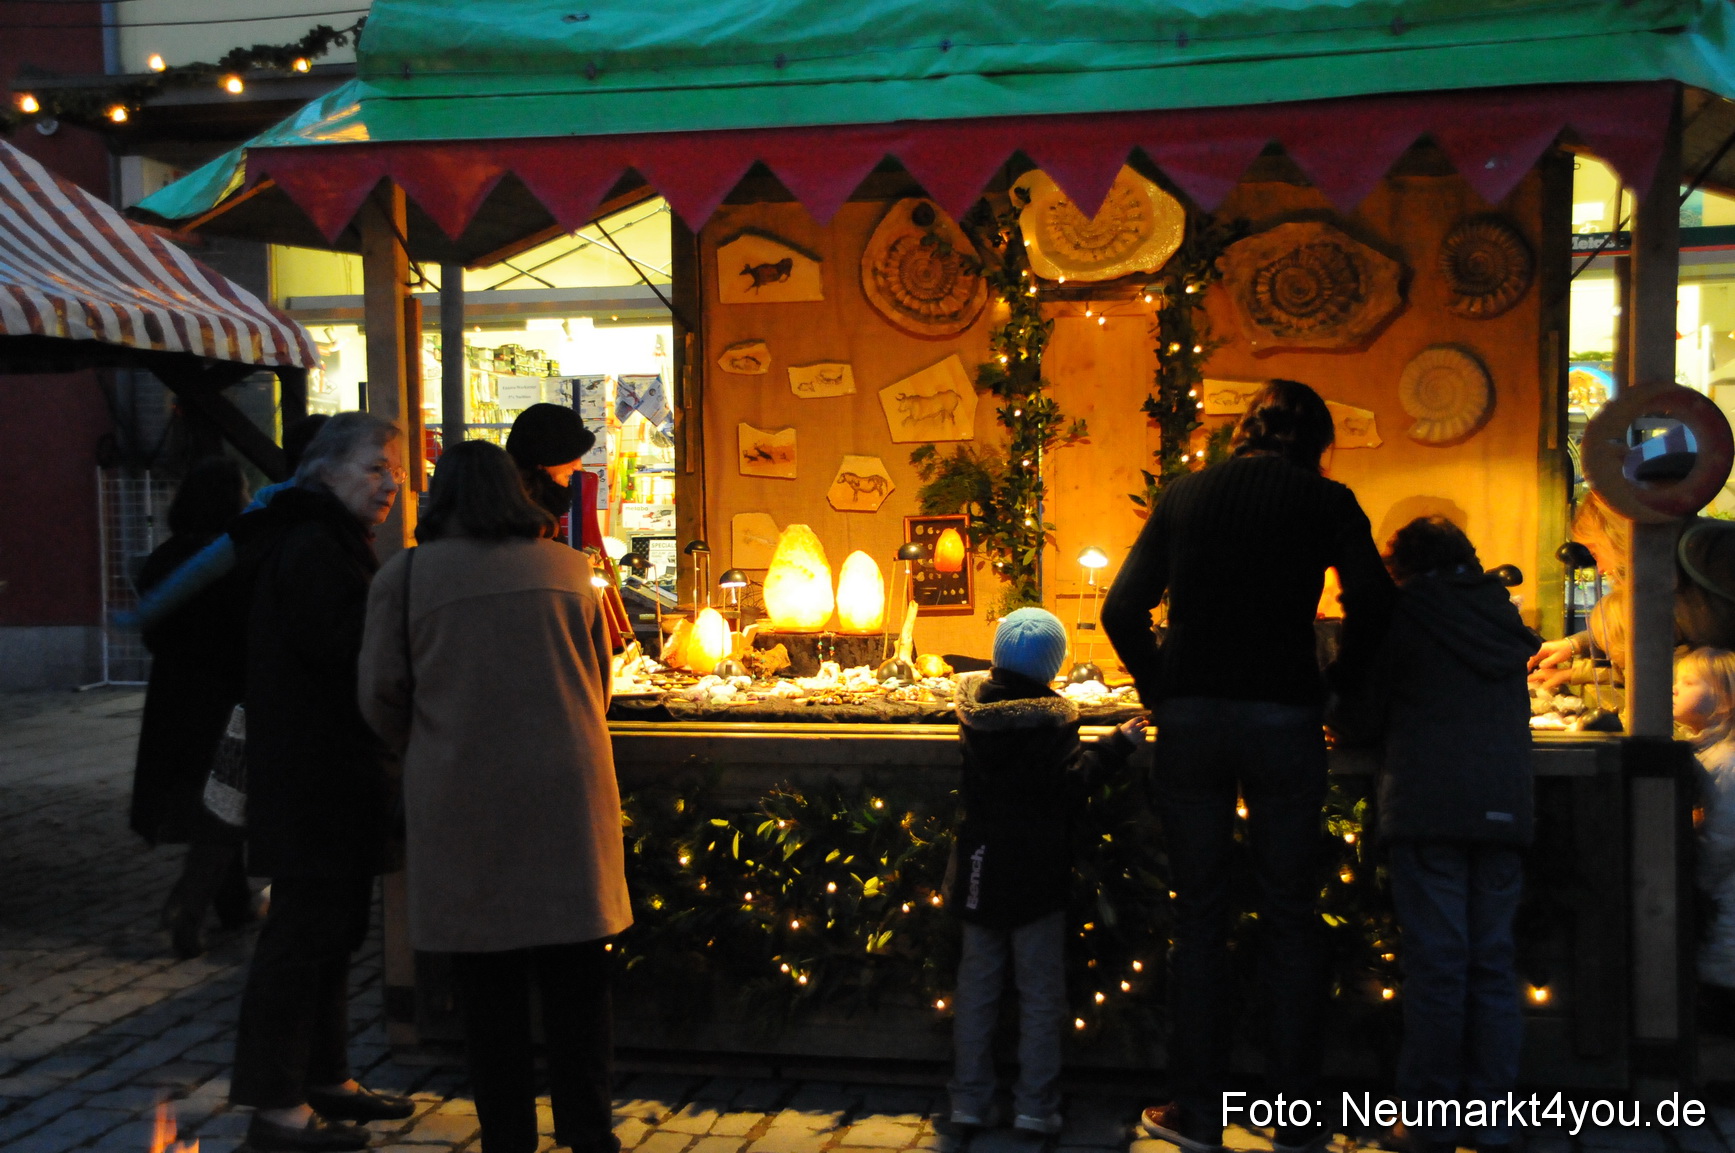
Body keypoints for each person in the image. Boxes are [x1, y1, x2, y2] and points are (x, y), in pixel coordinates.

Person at [1100, 379, 1394, 1153]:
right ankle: (1295, 1116)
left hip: (1192, 721)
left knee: (1197, 915)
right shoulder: (1329, 502)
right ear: (1315, 440)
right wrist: (1335, 686)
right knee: (1289, 914)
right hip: (1284, 716)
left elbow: (1120, 609)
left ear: (1242, 432)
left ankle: (1195, 1110)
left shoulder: (1186, 496)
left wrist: (1163, 685)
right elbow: (1374, 600)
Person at [358, 440, 631, 1153]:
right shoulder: (570, 571)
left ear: (437, 496)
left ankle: (508, 1136)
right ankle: (588, 1130)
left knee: (490, 987)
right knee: (578, 980)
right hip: (566, 794)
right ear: (516, 492)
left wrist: (432, 743)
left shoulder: (406, 577)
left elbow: (380, 697)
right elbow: (599, 683)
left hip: (463, 798)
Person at [228, 413, 414, 1153]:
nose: (392, 483)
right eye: (376, 468)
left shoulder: (327, 538)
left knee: (335, 932)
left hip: (333, 772)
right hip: (313, 776)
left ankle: (326, 1077)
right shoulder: (309, 545)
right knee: (301, 939)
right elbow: (345, 656)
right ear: (326, 471)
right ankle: (275, 1111)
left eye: (394, 470)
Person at [1331, 517, 1538, 1153]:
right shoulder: (1503, 618)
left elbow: (1363, 716)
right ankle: (1495, 1115)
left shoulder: (1406, 615)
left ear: (1404, 567)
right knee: (1492, 965)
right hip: (1504, 806)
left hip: (1429, 804)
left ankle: (1428, 1119)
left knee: (1439, 967)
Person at [946, 608, 1147, 1135]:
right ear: (1053, 666)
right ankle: (1036, 1105)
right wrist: (1118, 745)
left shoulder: (971, 711)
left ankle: (968, 1100)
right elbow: (1072, 782)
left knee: (977, 987)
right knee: (1040, 994)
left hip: (981, 864)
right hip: (1038, 869)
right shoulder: (1054, 719)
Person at [130, 456, 255, 959]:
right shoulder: (230, 559)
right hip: (224, 697)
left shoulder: (163, 558)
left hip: (174, 696)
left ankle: (233, 904)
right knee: (227, 804)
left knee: (207, 801)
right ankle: (191, 902)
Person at [121, 414, 331, 633]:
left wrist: (141, 615)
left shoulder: (167, 558)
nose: (248, 499)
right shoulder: (262, 533)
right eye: (244, 491)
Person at [1529, 490, 1735, 692]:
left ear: (1616, 533)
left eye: (1595, 551)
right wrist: (1574, 645)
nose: (1600, 569)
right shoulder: (1663, 569)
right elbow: (1643, 630)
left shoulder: (1704, 550)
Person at [1675, 647, 1735, 1029]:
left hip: (1725, 908)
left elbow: (1724, 838)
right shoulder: (1708, 754)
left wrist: (1697, 885)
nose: (1674, 689)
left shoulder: (1726, 763)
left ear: (1725, 701)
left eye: (1689, 682)